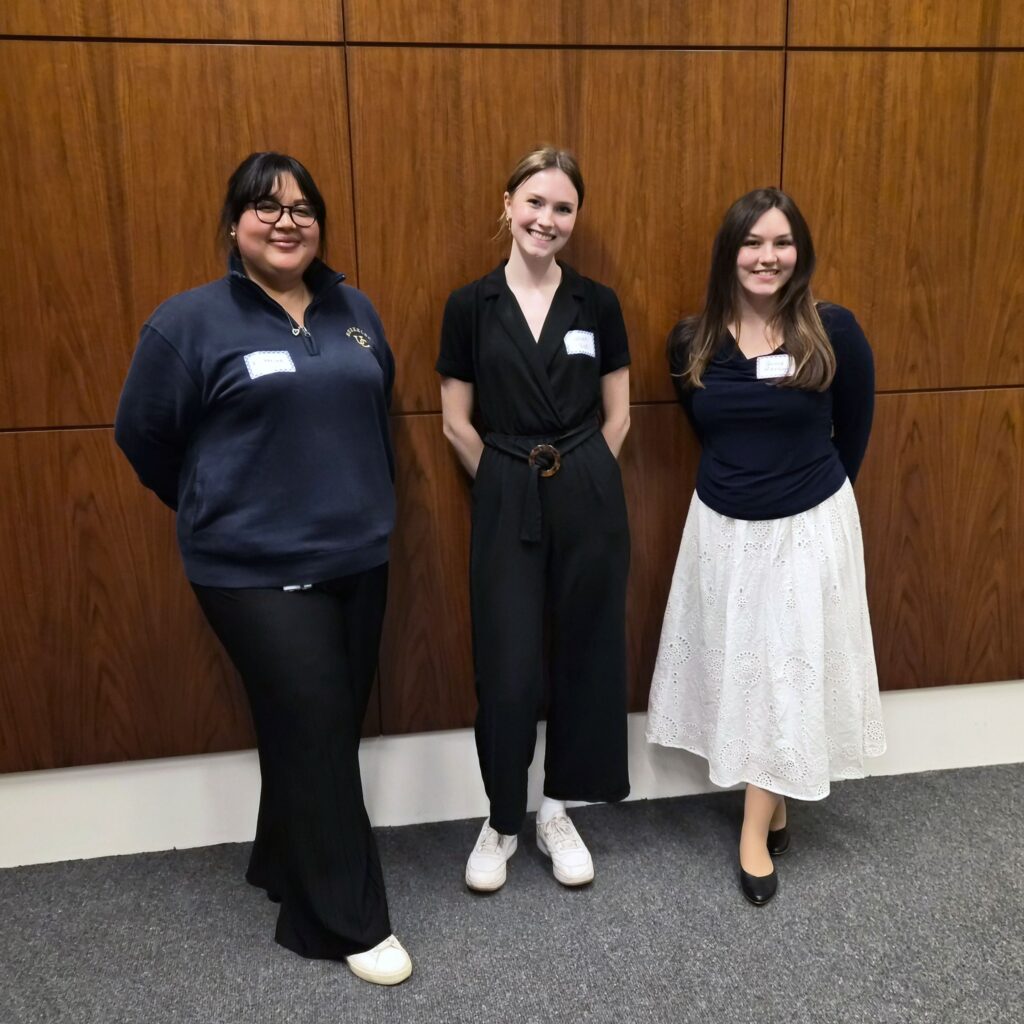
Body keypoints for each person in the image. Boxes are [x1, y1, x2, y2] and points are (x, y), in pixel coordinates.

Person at [114, 152, 411, 984]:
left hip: (357, 558)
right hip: (250, 571)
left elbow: (375, 409)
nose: (287, 222)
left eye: (302, 208)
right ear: (233, 223)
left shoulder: (355, 311)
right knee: (317, 733)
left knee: (320, 728)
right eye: (265, 206)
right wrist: (219, 502)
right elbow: (143, 435)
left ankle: (282, 860)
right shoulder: (189, 323)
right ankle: (344, 920)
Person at [646, 188, 886, 906]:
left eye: (781, 242)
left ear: (799, 252)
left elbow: (854, 433)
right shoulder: (691, 342)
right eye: (752, 242)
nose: (767, 257)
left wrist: (804, 498)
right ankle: (775, 802)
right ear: (730, 252)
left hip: (807, 526)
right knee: (744, 670)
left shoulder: (833, 331)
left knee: (785, 672)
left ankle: (752, 834)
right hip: (722, 530)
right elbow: (708, 427)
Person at [437, 146, 632, 892]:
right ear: (508, 204)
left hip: (586, 489)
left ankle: (557, 809)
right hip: (506, 490)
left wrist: (585, 478)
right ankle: (502, 819)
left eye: (563, 207)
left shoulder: (598, 304)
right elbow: (456, 421)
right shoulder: (470, 305)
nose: (547, 219)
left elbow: (619, 414)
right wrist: (501, 481)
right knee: (509, 665)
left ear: (576, 218)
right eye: (535, 202)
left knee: (585, 651)